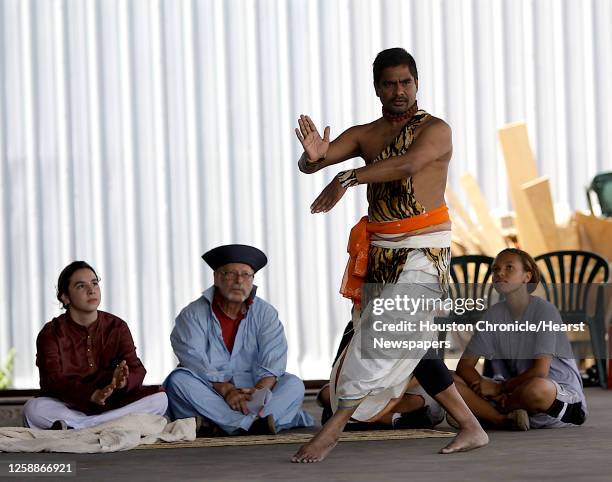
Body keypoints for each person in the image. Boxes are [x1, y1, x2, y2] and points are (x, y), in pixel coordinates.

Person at [292, 47, 488, 462]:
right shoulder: (367, 133)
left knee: (382, 336)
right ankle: (471, 426)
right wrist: (311, 160)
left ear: (417, 83)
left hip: (424, 248)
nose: (399, 90)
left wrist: (348, 176)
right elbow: (315, 162)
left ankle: (332, 430)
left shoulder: (436, 129)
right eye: (390, 83)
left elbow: (410, 164)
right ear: (377, 88)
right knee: (410, 343)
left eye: (406, 82)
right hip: (380, 250)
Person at [164, 244, 314, 435]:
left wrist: (258, 391)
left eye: (246, 275)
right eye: (230, 274)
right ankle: (255, 424)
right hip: (214, 393)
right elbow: (195, 363)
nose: (238, 281)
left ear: (252, 280)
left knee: (293, 384)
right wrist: (226, 390)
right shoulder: (192, 315)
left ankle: (222, 425)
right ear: (217, 278)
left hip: (254, 395)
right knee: (179, 380)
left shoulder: (265, 313)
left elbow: (273, 361)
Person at [23, 261, 167, 430]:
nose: (91, 290)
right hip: (70, 405)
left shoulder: (117, 327)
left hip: (112, 404)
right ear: (65, 297)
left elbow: (136, 369)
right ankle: (104, 425)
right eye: (80, 286)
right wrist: (91, 395)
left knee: (160, 399)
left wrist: (123, 383)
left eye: (94, 283)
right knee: (33, 409)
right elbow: (52, 381)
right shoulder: (51, 333)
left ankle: (81, 427)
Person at [454, 248, 587, 430]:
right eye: (495, 269)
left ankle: (481, 412)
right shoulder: (492, 316)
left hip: (551, 396)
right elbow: (465, 366)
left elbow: (540, 371)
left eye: (509, 267)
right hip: (511, 394)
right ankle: (502, 419)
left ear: (527, 276)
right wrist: (481, 384)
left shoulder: (544, 311)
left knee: (536, 388)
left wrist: (498, 389)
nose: (500, 273)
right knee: (448, 378)